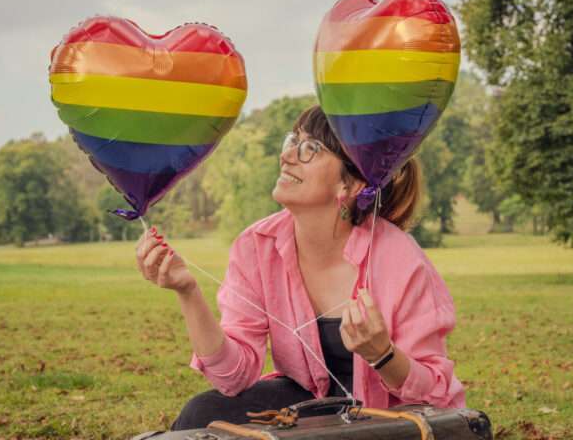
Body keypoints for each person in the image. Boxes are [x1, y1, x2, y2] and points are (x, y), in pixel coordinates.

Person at [135, 105, 465, 430]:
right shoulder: (256, 246)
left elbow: (433, 395)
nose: (289, 155)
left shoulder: (400, 259)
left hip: (391, 424)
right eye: (293, 141)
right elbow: (232, 378)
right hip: (316, 410)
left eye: (311, 148)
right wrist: (188, 292)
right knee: (202, 413)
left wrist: (383, 355)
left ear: (349, 186)